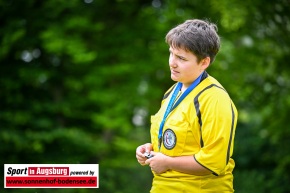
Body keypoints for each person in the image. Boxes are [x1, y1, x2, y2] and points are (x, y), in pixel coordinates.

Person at [136, 19, 238, 193]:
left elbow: (214, 162)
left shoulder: (215, 99)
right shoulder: (171, 92)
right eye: (171, 54)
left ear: (204, 62)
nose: (172, 63)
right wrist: (150, 150)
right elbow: (178, 143)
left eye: (181, 58)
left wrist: (167, 162)